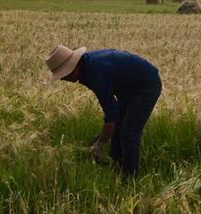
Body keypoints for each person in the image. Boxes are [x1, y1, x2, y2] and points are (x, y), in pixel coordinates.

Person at [45, 45, 162, 178]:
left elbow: (111, 114)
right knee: (118, 127)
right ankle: (117, 164)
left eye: (63, 75)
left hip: (146, 86)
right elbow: (113, 114)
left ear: (71, 68)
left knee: (129, 132)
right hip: (129, 88)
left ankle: (130, 178)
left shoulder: (95, 72)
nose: (62, 79)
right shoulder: (87, 66)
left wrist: (100, 144)